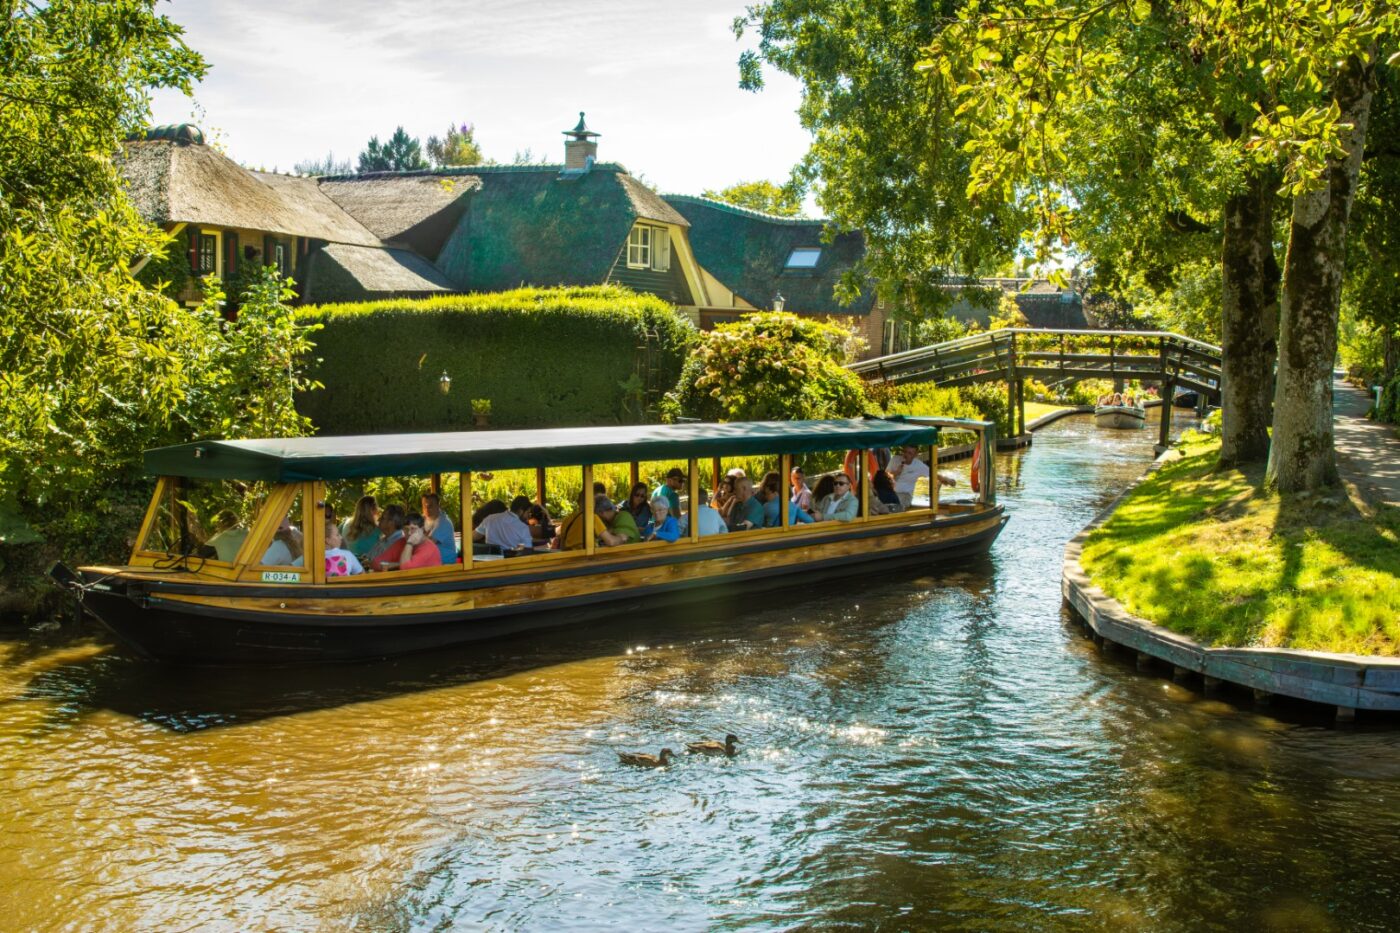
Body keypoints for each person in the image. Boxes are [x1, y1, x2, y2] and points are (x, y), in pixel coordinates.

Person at [560, 495, 627, 550]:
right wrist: (621, 538)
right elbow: (611, 542)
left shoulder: (567, 519)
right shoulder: (592, 517)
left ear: (578, 502)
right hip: (588, 559)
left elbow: (562, 546)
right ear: (592, 503)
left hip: (571, 559)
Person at [888, 444, 932, 511]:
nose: (906, 455)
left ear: (915, 455)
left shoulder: (918, 465)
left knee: (894, 504)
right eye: (905, 452)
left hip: (905, 494)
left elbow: (933, 473)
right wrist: (896, 472)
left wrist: (947, 480)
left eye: (910, 453)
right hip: (890, 492)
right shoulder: (895, 459)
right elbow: (884, 478)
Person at [363, 504, 407, 570]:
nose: (378, 519)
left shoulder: (399, 542)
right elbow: (368, 558)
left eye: (383, 518)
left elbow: (378, 564)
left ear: (391, 522)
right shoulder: (384, 539)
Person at [421, 492, 457, 564]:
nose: (427, 509)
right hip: (431, 559)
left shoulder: (444, 523)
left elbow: (428, 544)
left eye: (430, 506)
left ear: (438, 505)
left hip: (445, 562)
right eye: (424, 506)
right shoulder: (423, 518)